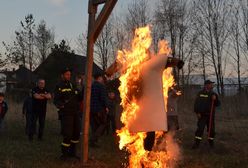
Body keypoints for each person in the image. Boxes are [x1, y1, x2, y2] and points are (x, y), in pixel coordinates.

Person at [53, 68, 82, 160]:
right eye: (66, 74)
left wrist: (83, 88)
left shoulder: (72, 85)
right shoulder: (59, 86)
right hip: (66, 114)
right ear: (62, 75)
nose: (68, 76)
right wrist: (60, 105)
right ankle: (64, 154)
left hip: (75, 113)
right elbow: (56, 100)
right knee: (68, 134)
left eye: (69, 74)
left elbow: (79, 97)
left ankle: (72, 152)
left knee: (76, 133)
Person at [192, 80, 221, 149]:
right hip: (202, 115)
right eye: (210, 84)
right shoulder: (200, 93)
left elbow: (218, 104)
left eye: (212, 84)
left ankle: (211, 142)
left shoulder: (213, 94)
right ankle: (197, 143)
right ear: (206, 85)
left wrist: (215, 99)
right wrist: (197, 112)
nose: (212, 85)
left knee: (211, 130)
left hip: (210, 115)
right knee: (200, 129)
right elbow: (196, 103)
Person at [90, 73, 109, 147]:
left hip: (92, 108)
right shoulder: (101, 86)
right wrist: (106, 106)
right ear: (99, 78)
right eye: (101, 78)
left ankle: (94, 142)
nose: (102, 79)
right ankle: (93, 139)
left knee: (94, 125)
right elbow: (103, 98)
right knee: (103, 123)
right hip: (99, 109)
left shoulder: (91, 86)